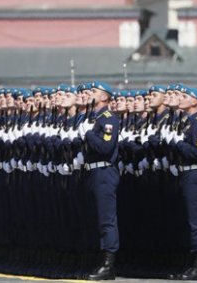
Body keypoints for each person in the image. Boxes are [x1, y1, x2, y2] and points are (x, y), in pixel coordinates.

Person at [78, 81, 120, 280]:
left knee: (106, 220)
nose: (89, 94)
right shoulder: (94, 118)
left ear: (104, 97)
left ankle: (108, 264)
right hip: (92, 173)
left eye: (94, 91)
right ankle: (99, 260)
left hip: (104, 173)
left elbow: (105, 148)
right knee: (95, 219)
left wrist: (87, 134)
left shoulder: (108, 118)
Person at [168, 85, 197, 280]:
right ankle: (194, 261)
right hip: (189, 175)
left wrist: (179, 144)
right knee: (192, 221)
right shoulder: (188, 122)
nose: (181, 99)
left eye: (185, 96)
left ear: (194, 101)